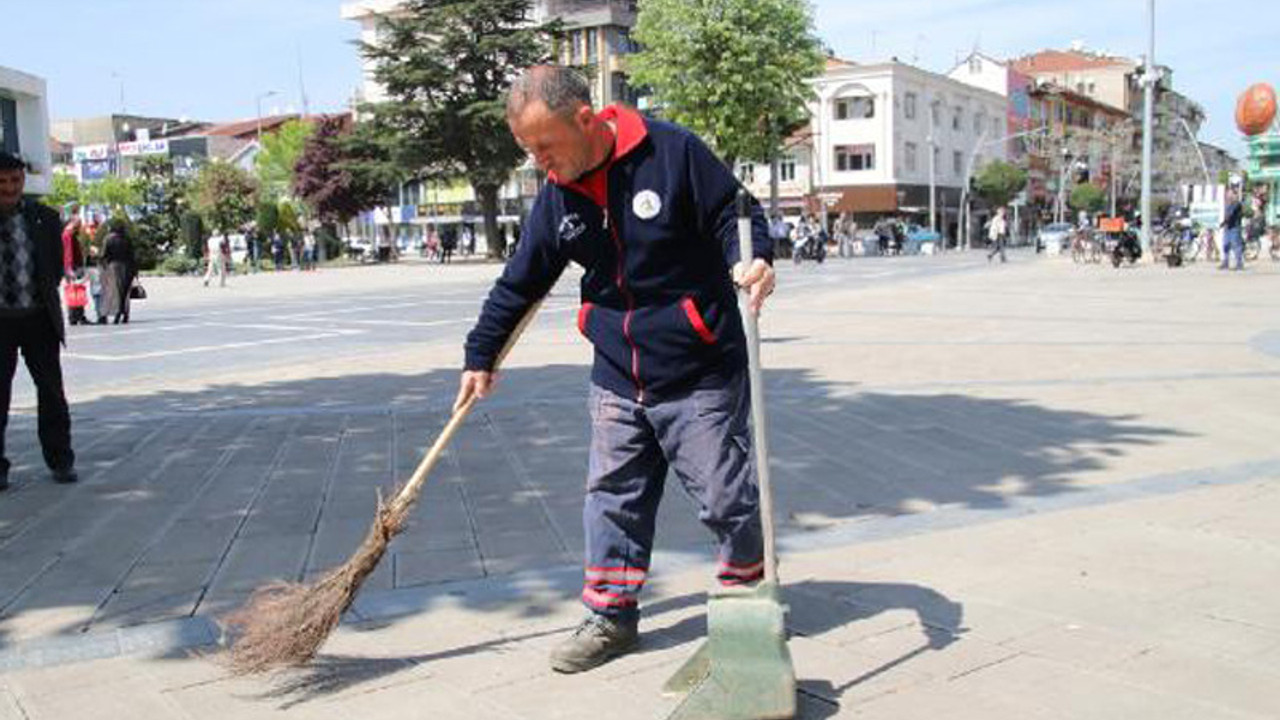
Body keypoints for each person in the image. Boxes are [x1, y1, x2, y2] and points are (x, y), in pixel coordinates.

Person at [455, 66, 775, 674]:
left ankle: (747, 598)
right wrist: (480, 356)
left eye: (545, 146)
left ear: (585, 119)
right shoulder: (557, 194)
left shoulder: (672, 152)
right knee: (612, 497)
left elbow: (737, 216)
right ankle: (610, 616)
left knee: (724, 496)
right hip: (616, 373)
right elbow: (519, 281)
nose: (539, 163)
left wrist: (752, 259)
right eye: (528, 151)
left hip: (697, 365)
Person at [0, 150, 78, 489]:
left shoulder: (44, 218)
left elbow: (55, 267)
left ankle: (61, 460)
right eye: (2, 182)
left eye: (15, 180)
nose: (10, 188)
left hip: (38, 319)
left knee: (51, 392)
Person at [98, 218, 135, 324]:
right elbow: (132, 255)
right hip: (127, 266)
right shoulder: (127, 239)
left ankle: (117, 313)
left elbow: (104, 254)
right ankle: (125, 314)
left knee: (115, 291)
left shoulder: (108, 239)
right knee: (125, 291)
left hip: (113, 267)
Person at [1220, 190, 1244, 271]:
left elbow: (1231, 214)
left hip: (1235, 228)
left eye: (1230, 195)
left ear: (1234, 196)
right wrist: (1224, 223)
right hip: (1227, 228)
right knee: (1225, 246)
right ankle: (1225, 263)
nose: (1228, 196)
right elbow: (1227, 215)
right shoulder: (1228, 204)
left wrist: (1224, 222)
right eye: (1227, 195)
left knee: (1236, 246)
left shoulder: (1237, 205)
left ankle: (1239, 264)